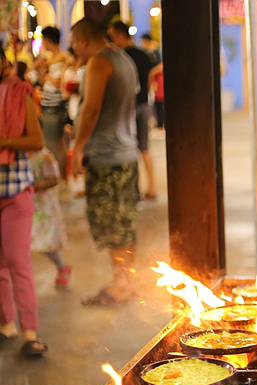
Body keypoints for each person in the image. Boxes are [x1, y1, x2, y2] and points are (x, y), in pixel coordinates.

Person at [70, 18, 140, 306]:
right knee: (124, 222)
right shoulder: (123, 58)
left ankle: (121, 284)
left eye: (74, 44)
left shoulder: (99, 62)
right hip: (125, 153)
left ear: (83, 40)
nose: (74, 50)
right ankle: (124, 280)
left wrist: (77, 148)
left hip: (108, 158)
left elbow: (91, 108)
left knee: (113, 225)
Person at [0, 53, 48, 356]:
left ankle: (30, 333)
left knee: (17, 262)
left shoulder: (20, 93)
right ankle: (7, 324)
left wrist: (4, 140)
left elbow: (36, 141)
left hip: (16, 192)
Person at [107, 20, 159, 200]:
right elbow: (152, 75)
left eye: (112, 36)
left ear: (120, 35)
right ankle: (152, 186)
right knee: (144, 148)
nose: (111, 40)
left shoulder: (120, 57)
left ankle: (133, 188)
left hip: (128, 108)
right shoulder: (143, 54)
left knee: (128, 149)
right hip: (145, 105)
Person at [29, 148, 70, 288]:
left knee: (45, 244)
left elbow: (54, 180)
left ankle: (62, 267)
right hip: (25, 206)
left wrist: (34, 186)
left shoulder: (44, 156)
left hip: (42, 208)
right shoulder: (17, 154)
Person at [36, 26, 70, 183]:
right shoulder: (52, 59)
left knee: (55, 145)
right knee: (57, 144)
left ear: (48, 40)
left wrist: (47, 74)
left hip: (54, 107)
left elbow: (58, 83)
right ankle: (62, 179)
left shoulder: (63, 59)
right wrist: (42, 73)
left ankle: (62, 179)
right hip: (49, 104)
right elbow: (47, 83)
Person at [141, 33, 164, 132]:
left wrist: (151, 73)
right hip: (153, 79)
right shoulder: (148, 52)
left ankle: (160, 125)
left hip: (157, 79)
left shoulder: (155, 52)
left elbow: (160, 65)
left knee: (159, 102)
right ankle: (158, 124)